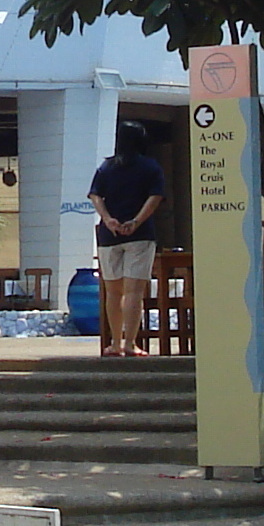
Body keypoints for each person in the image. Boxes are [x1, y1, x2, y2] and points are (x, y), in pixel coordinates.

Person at [90, 122, 166, 357]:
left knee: (113, 292)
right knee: (134, 292)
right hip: (140, 237)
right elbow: (155, 197)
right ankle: (130, 343)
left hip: (108, 235)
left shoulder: (107, 167)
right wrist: (136, 221)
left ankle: (114, 343)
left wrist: (108, 219)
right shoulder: (150, 167)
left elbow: (95, 195)